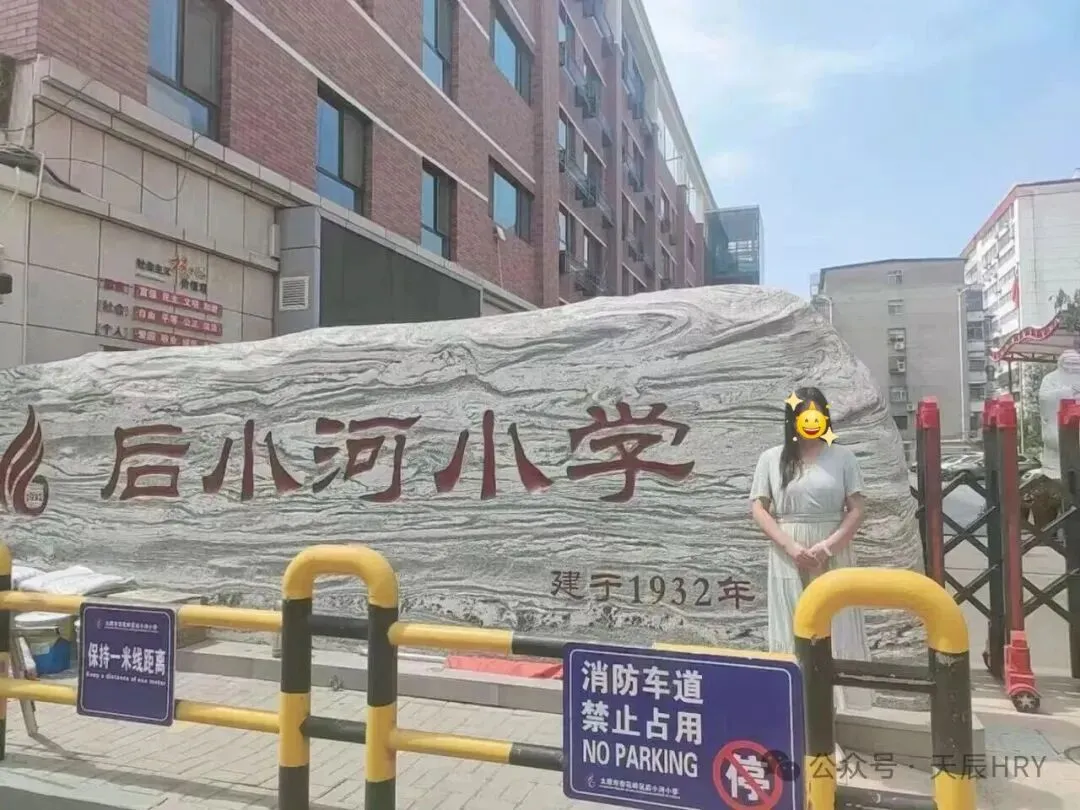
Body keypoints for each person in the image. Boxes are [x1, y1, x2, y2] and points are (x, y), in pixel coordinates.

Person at [749, 386, 873, 712]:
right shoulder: (771, 459)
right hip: (788, 553)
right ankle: (794, 706)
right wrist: (790, 546)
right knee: (792, 623)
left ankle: (842, 707)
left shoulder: (843, 457)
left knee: (837, 622)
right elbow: (759, 508)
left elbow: (857, 508)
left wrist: (827, 547)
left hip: (833, 550)